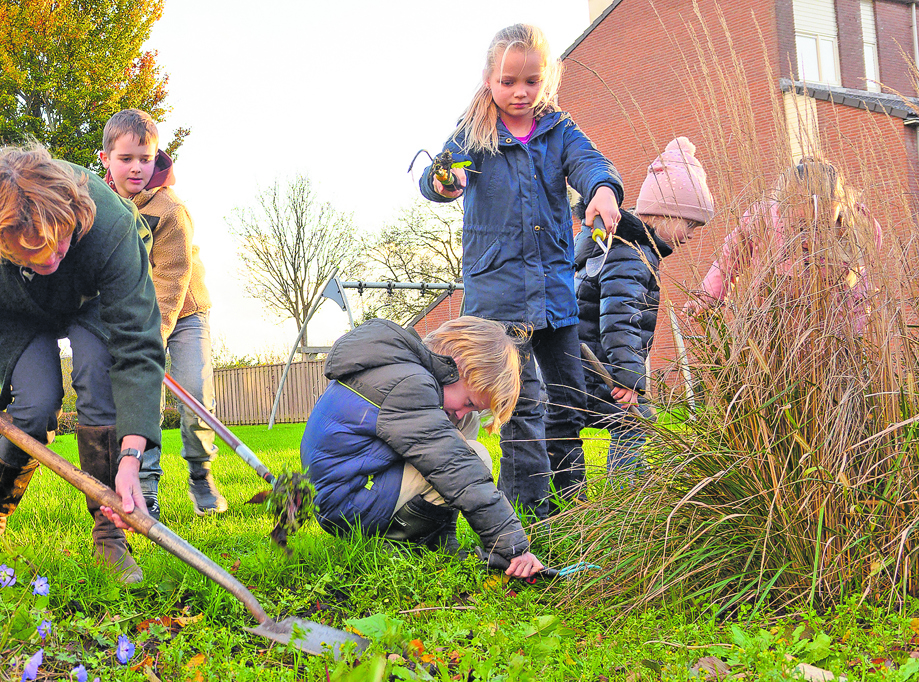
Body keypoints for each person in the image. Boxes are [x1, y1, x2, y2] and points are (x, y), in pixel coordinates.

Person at [0, 143, 166, 584]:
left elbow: (138, 346)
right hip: (13, 306)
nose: (50, 261)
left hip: (92, 299)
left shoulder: (112, 225)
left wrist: (133, 454)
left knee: (98, 380)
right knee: (36, 406)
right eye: (33, 255)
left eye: (58, 247)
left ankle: (110, 537)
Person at [419, 23, 623, 518]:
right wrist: (446, 181)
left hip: (554, 293)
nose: (519, 92)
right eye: (508, 81)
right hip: (498, 299)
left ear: (546, 79)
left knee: (569, 398)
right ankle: (529, 513)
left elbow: (591, 164)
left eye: (530, 81)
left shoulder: (558, 130)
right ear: (489, 79)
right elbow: (436, 176)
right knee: (522, 405)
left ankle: (574, 504)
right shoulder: (474, 134)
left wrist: (601, 191)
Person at [300, 317, 545, 577]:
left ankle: (439, 537)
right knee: (473, 456)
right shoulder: (408, 386)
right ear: (457, 365)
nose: (462, 412)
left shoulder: (398, 367)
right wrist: (512, 546)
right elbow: (456, 469)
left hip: (347, 490)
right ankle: (394, 545)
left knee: (462, 428)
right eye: (469, 401)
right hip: (347, 506)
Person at [99, 109, 223, 519]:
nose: (137, 167)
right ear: (106, 159)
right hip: (135, 317)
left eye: (145, 158)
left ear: (157, 158)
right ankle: (147, 486)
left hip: (184, 311)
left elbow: (171, 277)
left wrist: (155, 335)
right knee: (142, 395)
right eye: (127, 158)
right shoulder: (100, 206)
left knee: (195, 394)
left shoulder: (170, 209)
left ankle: (201, 473)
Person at [575, 137, 715, 475]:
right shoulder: (632, 253)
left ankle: (567, 496)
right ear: (666, 213)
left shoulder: (615, 243)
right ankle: (625, 500)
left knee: (563, 427)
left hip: (577, 363)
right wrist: (628, 378)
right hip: (598, 368)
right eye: (690, 223)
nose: (692, 235)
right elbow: (621, 317)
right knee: (635, 424)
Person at [684, 157, 882, 331]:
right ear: (784, 204)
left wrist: (851, 334)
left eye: (821, 225)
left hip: (837, 332)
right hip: (776, 332)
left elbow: (860, 292)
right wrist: (705, 298)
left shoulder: (861, 227)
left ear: (838, 203)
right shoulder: (763, 220)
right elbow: (730, 259)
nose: (809, 237)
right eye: (801, 226)